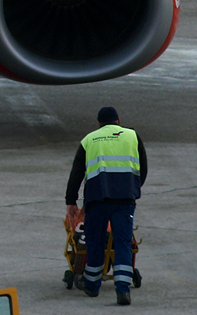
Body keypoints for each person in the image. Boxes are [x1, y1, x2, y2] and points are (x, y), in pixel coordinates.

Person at [65, 106, 146, 306]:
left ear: (99, 123)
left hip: (97, 200)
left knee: (95, 242)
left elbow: (76, 173)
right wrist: (132, 189)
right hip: (124, 200)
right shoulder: (132, 136)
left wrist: (71, 201)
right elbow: (142, 167)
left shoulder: (89, 139)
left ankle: (92, 286)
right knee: (122, 243)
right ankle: (122, 290)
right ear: (118, 120)